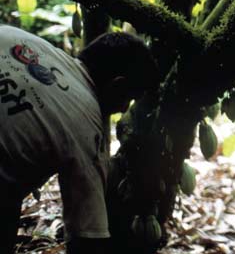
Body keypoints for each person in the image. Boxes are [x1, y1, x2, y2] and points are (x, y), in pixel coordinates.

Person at [0, 24, 159, 254]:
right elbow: (87, 239)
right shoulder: (86, 128)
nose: (124, 108)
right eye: (129, 99)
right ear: (118, 85)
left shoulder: (18, 37)